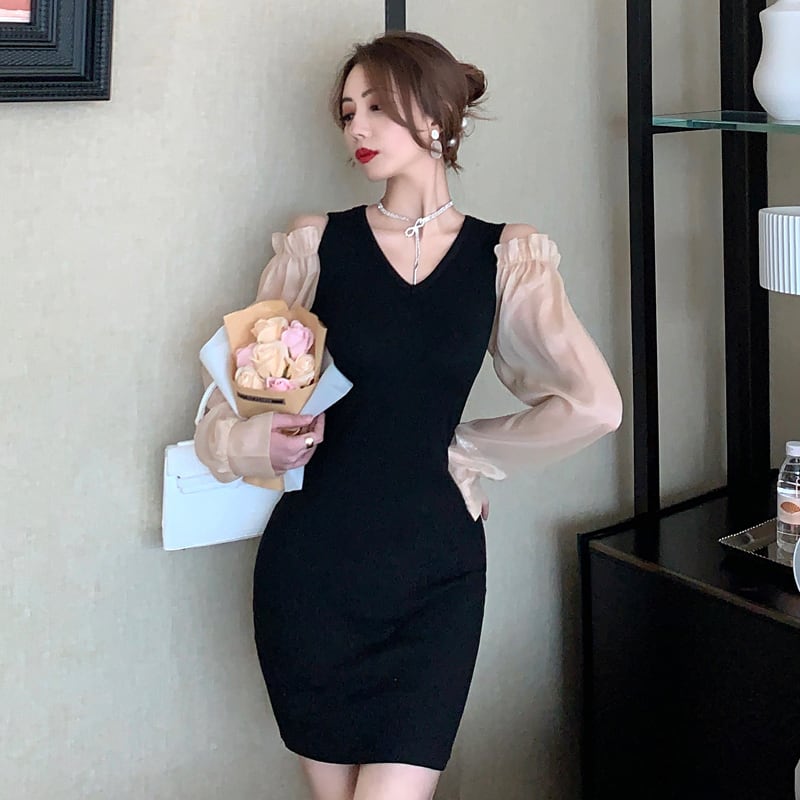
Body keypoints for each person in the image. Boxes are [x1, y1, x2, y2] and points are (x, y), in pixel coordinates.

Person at [194, 30, 623, 800]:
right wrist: (261, 440)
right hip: (313, 574)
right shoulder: (314, 246)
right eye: (347, 111)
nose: (355, 127)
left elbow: (594, 404)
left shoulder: (507, 256)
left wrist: (466, 449)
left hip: (437, 579)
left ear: (435, 113)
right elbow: (225, 415)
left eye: (376, 107)